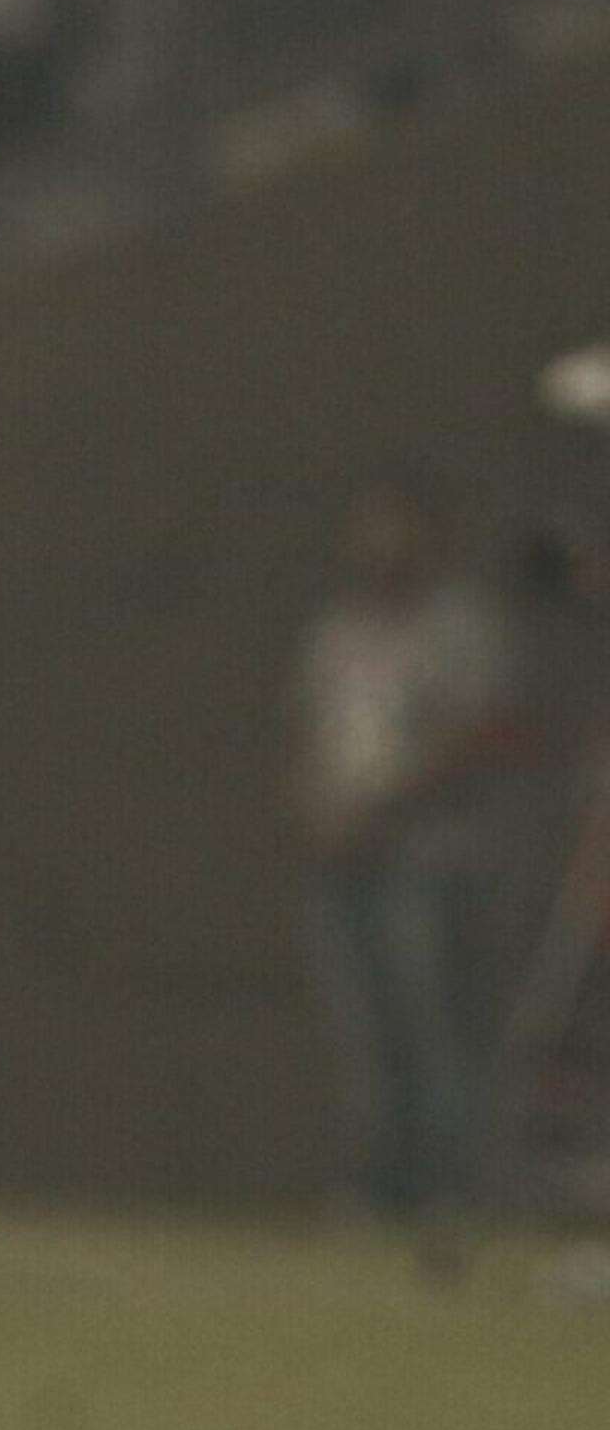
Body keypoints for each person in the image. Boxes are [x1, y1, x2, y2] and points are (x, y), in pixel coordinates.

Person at [291, 476, 526, 1261]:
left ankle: (452, 1189)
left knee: (433, 1029)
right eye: (370, 525)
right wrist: (318, 811)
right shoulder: (336, 635)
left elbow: (483, 736)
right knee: (365, 1034)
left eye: (397, 525)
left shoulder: (456, 628)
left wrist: (384, 805)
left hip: (428, 863)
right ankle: (376, 1187)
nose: (382, 542)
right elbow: (307, 734)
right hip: (342, 863)